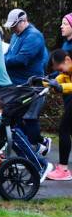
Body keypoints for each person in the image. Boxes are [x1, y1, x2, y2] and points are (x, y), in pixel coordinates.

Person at [3, 8, 49, 148]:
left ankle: (39, 145)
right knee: (16, 117)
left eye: (15, 25)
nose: (13, 29)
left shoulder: (33, 36)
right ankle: (27, 147)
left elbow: (21, 60)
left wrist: (1, 61)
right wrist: (4, 59)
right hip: (17, 84)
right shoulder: (16, 35)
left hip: (32, 84)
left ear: (24, 21)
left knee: (29, 117)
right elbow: (9, 54)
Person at [44, 49, 72, 180]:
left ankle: (64, 169)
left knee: (64, 130)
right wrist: (39, 82)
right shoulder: (66, 72)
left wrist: (61, 88)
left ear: (67, 60)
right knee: (65, 130)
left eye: (60, 68)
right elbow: (56, 80)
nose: (60, 71)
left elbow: (64, 85)